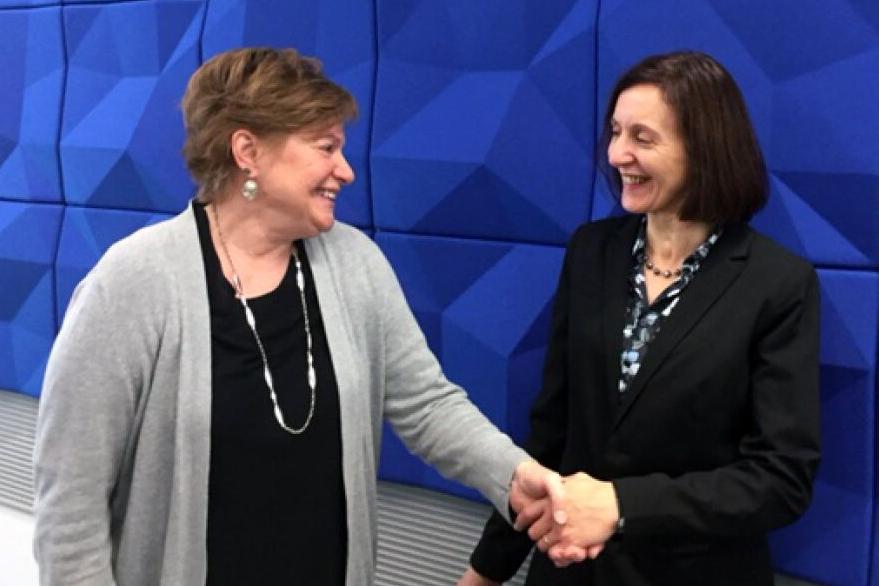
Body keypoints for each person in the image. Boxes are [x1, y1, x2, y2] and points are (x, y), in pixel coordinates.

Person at [32, 47, 567, 586]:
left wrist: (512, 475)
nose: (347, 171)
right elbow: (69, 505)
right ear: (248, 151)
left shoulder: (355, 261)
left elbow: (426, 404)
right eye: (326, 147)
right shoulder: (134, 281)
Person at [459, 51, 821, 586]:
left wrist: (620, 505)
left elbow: (781, 478)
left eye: (642, 138)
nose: (617, 153)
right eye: (615, 132)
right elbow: (551, 435)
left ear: (705, 150)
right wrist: (486, 572)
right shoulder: (590, 252)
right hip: (570, 575)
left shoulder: (777, 282)